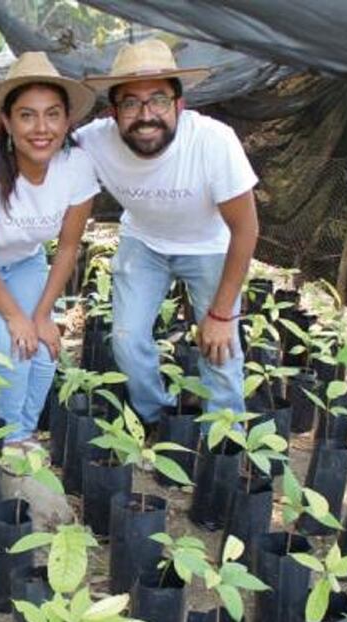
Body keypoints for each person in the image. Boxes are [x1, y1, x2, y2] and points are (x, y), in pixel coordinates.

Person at [76, 39, 260, 426]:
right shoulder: (93, 141)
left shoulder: (213, 142)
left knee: (220, 346)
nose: (146, 115)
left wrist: (222, 314)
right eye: (130, 103)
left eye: (158, 100)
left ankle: (226, 437)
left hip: (211, 245)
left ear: (180, 105)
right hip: (143, 241)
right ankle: (157, 418)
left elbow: (245, 230)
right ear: (113, 112)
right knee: (126, 340)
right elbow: (39, 152)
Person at [0, 51, 100, 444]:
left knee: (44, 349)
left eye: (52, 114)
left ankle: (21, 435)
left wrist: (42, 315)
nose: (40, 127)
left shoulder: (77, 166)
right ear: (7, 122)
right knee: (15, 346)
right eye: (27, 115)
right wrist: (15, 316)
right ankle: (6, 442)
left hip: (25, 261)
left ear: (67, 121)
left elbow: (67, 248)